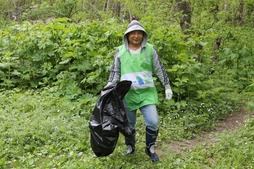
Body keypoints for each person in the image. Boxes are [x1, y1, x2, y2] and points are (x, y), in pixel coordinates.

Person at [106, 19, 173, 162]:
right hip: (127, 95)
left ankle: (151, 148)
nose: (136, 36)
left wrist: (167, 85)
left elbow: (159, 68)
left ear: (143, 35)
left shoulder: (150, 49)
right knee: (129, 125)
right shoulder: (120, 51)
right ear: (127, 35)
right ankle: (130, 147)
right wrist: (109, 87)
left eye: (139, 33)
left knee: (152, 121)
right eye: (133, 33)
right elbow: (115, 72)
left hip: (147, 93)